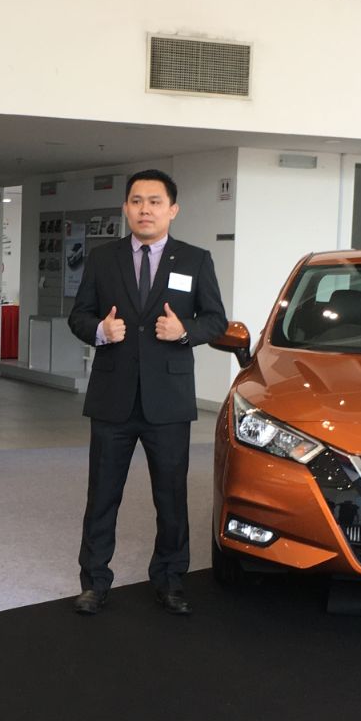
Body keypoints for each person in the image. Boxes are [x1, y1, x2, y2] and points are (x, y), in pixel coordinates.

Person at [67, 169, 226, 616]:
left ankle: (170, 580)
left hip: (168, 400)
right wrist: (100, 330)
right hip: (112, 397)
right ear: (125, 208)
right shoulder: (103, 259)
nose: (145, 210)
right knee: (102, 495)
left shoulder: (195, 260)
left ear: (172, 210)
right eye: (136, 201)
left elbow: (216, 320)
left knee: (171, 498)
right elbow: (79, 316)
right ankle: (94, 582)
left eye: (155, 202)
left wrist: (184, 331)